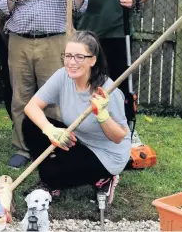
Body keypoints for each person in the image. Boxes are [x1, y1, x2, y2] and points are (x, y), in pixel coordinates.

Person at [0, 0, 88, 169]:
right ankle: (23, 147)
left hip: (55, 42)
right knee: (21, 97)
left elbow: (81, 7)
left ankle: (52, 146)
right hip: (19, 42)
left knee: (55, 98)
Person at [23, 31, 131, 195]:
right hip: (79, 140)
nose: (72, 62)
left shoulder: (107, 90)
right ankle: (51, 176)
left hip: (105, 155)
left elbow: (118, 137)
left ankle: (105, 178)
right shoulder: (62, 76)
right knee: (30, 124)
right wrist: (50, 130)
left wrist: (102, 115)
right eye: (68, 56)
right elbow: (31, 107)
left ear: (92, 60)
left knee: (50, 174)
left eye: (79, 57)